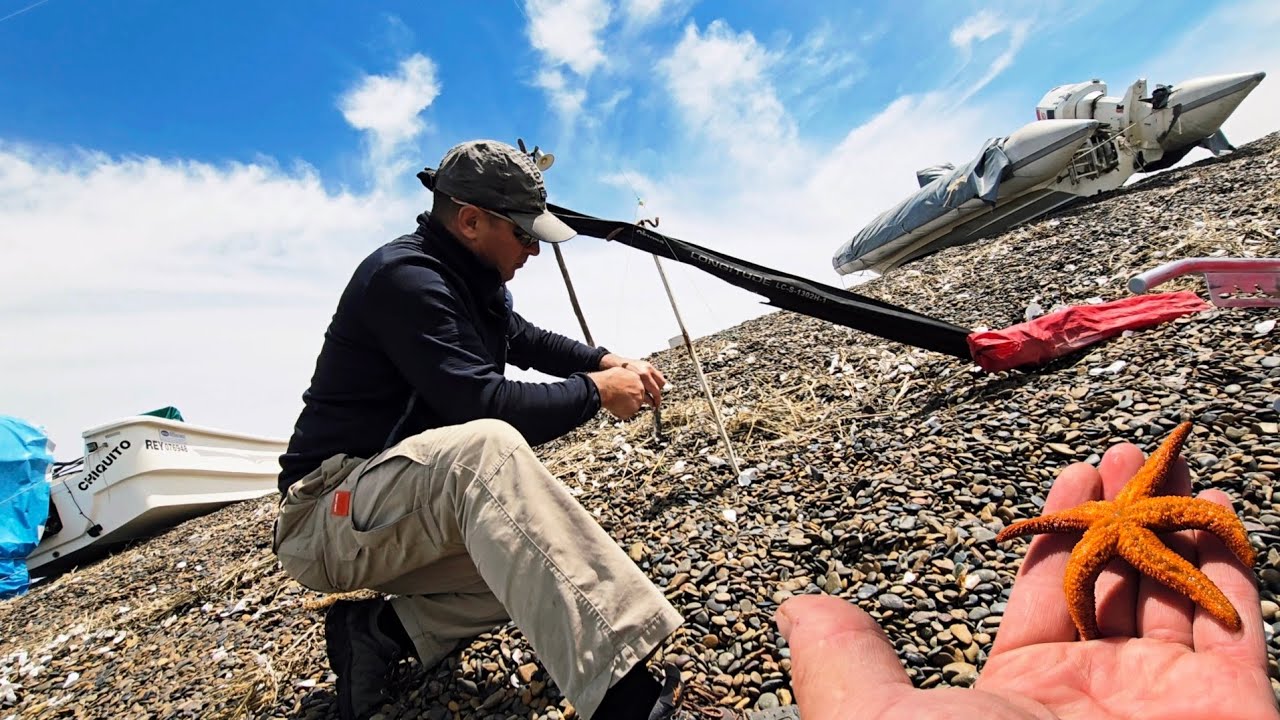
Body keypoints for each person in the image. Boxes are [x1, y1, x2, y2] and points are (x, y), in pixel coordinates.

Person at [272, 139, 777, 720]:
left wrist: (603, 360)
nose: (535, 249)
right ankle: (623, 699)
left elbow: (525, 339)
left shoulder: (468, 278)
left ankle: (380, 633)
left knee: (541, 549)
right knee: (486, 451)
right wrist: (595, 393)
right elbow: (480, 404)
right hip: (326, 514)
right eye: (524, 234)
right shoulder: (406, 280)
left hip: (392, 508)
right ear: (469, 220)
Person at [774, 441, 1280, 720]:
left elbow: (1177, 495)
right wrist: (1028, 525)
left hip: (1127, 526)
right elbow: (1059, 535)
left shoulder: (1124, 515)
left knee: (1196, 565)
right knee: (1197, 565)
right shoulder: (1116, 517)